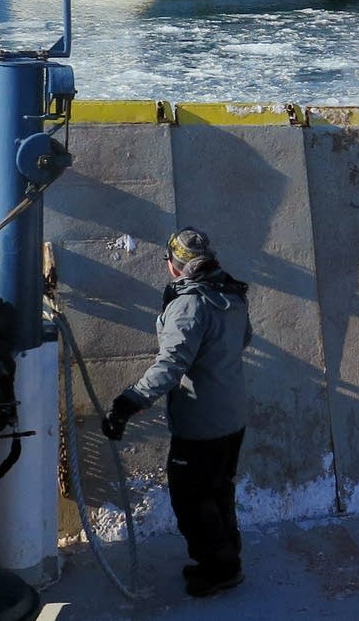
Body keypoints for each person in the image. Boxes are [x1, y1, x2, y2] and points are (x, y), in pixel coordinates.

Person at [102, 227, 252, 598]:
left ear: (174, 266)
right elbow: (243, 340)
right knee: (218, 490)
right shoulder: (231, 294)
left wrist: (127, 403)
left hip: (201, 422)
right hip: (232, 416)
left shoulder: (190, 304)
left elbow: (170, 366)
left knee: (191, 496)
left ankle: (219, 569)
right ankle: (227, 558)